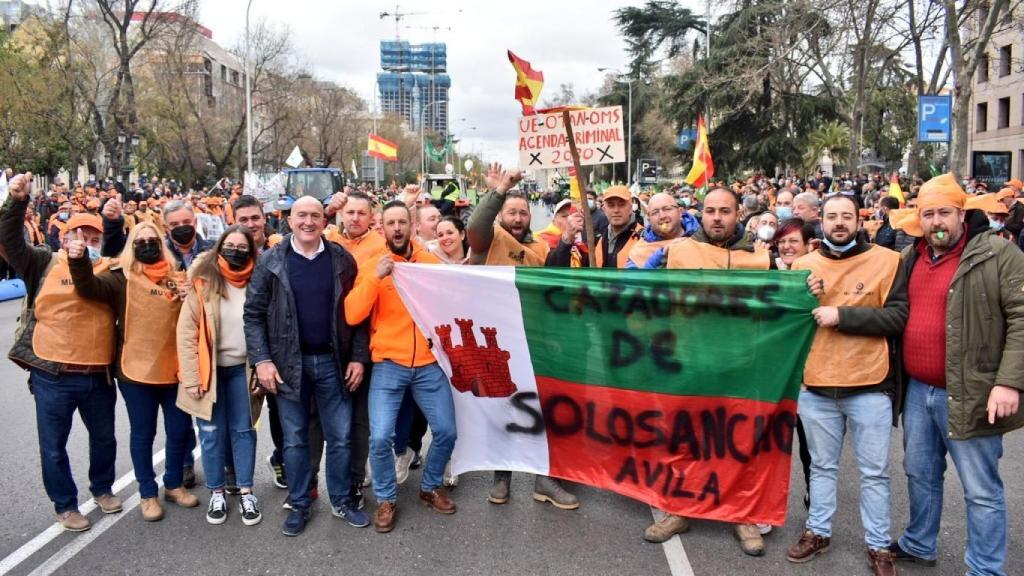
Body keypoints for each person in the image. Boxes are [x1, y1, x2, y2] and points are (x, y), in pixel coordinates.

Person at [890, 173, 1024, 576]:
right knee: (920, 473)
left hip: (974, 391)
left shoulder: (999, 254)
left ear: (962, 214)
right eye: (928, 214)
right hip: (918, 391)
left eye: (944, 212)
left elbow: (1022, 318)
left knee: (981, 489)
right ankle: (919, 542)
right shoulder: (911, 256)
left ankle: (985, 568)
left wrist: (1009, 381)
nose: (936, 222)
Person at [644, 187, 771, 555]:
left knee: (739, 441)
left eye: (725, 211)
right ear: (700, 214)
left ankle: (741, 515)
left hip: (740, 366)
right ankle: (678, 509)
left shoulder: (760, 259)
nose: (717, 217)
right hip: (688, 363)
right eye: (710, 211)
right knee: (682, 441)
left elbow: (782, 299)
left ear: (738, 215)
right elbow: (636, 290)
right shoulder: (677, 251)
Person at [786, 194, 907, 576]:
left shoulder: (889, 261)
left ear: (860, 220)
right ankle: (817, 531)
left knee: (874, 472)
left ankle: (878, 545)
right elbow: (788, 320)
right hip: (816, 382)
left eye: (846, 216)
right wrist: (800, 296)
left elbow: (898, 317)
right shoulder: (802, 264)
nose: (839, 223)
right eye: (832, 216)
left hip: (869, 383)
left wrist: (842, 315)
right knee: (821, 466)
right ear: (820, 221)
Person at [0, 174, 121, 532]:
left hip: (98, 374)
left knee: (104, 440)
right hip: (52, 374)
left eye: (94, 237)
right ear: (65, 238)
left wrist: (113, 220)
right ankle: (66, 505)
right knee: (53, 447)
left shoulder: (110, 269)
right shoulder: (42, 262)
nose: (86, 242)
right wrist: (16, 202)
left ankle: (102, 489)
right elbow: (8, 239)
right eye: (79, 235)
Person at [243, 196, 369, 537]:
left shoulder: (342, 259)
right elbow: (253, 315)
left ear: (325, 220)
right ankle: (299, 504)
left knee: (341, 437)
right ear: (289, 219)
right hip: (287, 365)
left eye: (315, 215)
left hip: (334, 362)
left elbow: (357, 314)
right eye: (302, 215)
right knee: (296, 440)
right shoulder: (271, 261)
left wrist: (358, 356)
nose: (309, 222)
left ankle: (342, 501)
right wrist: (262, 360)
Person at [69, 220, 199, 522]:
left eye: (153, 239)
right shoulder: (120, 278)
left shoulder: (176, 277)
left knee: (179, 430)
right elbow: (88, 287)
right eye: (141, 241)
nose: (148, 245)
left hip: (175, 370)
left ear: (162, 243)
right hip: (135, 372)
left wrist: (191, 296)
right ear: (132, 246)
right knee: (143, 433)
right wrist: (77, 260)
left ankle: (174, 484)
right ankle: (147, 494)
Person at [345, 201, 458, 533]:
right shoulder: (372, 265)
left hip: (427, 363)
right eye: (390, 223)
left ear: (412, 226)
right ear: (382, 226)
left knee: (447, 431)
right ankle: (386, 498)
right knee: (380, 437)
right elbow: (352, 314)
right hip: (388, 363)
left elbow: (449, 302)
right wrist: (375, 279)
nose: (396, 228)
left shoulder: (428, 262)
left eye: (402, 223)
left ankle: (430, 485)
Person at [176, 225, 262, 526]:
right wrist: (191, 377)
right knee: (210, 435)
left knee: (243, 431)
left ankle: (246, 491)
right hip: (208, 372)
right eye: (230, 245)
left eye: (242, 247)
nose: (235, 251)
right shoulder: (203, 282)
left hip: (243, 370)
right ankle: (216, 492)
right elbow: (187, 332)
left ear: (251, 251)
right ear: (219, 248)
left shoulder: (258, 281)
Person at [324, 190, 389, 505]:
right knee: (321, 423)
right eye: (349, 212)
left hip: (364, 343)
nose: (354, 218)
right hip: (324, 346)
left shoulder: (381, 248)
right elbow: (292, 237)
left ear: (371, 218)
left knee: (360, 422)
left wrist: (360, 356)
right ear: (340, 214)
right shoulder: (327, 241)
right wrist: (324, 212)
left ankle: (354, 481)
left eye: (361, 213)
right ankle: (308, 486)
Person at [467, 163, 550, 266]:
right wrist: (500, 189)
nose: (518, 219)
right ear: (499, 215)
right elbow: (475, 227)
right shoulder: (488, 240)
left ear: (530, 215)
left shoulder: (542, 248)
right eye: (512, 213)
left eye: (523, 213)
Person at [625, 192, 698, 268]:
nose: (662, 216)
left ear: (680, 212)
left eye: (667, 209)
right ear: (649, 220)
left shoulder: (703, 237)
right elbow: (630, 279)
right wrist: (654, 262)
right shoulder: (639, 251)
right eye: (655, 212)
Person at [592, 185, 644, 268]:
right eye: (611, 205)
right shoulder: (601, 239)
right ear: (604, 209)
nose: (616, 210)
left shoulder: (644, 238)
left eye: (621, 205)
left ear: (631, 208)